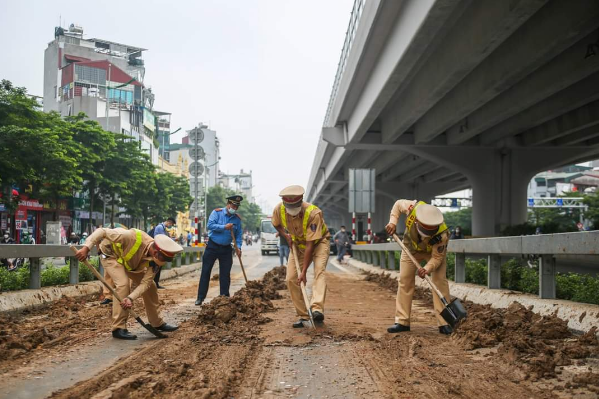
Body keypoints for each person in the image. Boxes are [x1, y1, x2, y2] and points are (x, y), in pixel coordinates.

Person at [75, 228, 182, 340]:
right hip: (110, 256)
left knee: (152, 286)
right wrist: (86, 248)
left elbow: (145, 283)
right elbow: (102, 231)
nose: (162, 262)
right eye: (162, 258)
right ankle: (118, 328)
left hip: (130, 264)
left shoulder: (156, 260)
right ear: (156, 252)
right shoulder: (129, 236)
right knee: (123, 285)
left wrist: (130, 298)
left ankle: (157, 323)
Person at [385, 199, 453, 335]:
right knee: (405, 281)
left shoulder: (442, 235)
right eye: (424, 229)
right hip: (410, 249)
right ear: (417, 222)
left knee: (440, 282)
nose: (427, 233)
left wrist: (427, 268)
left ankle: (444, 323)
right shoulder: (413, 208)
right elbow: (398, 204)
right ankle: (402, 321)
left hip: (431, 254)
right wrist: (393, 222)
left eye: (431, 231)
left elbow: (437, 258)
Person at [272, 185, 330, 328]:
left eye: (295, 208)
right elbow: (276, 224)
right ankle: (304, 316)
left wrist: (303, 272)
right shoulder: (279, 209)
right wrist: (285, 235)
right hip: (297, 245)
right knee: (291, 278)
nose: (292, 212)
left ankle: (316, 309)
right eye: (289, 208)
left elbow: (310, 245)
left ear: (301, 202)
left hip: (318, 243)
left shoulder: (313, 213)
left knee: (319, 271)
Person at [195, 195, 243, 306]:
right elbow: (210, 225)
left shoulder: (237, 219)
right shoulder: (216, 213)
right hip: (212, 246)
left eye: (237, 207)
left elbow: (238, 235)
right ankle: (200, 298)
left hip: (226, 249)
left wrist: (238, 247)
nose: (235, 208)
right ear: (228, 204)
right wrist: (224, 227)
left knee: (225, 274)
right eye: (233, 206)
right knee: (206, 272)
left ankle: (224, 298)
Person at [151, 217, 176, 289]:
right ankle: (154, 284)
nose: (171, 226)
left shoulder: (163, 228)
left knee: (158, 267)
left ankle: (156, 283)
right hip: (158, 250)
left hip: (160, 249)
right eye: (171, 224)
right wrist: (174, 239)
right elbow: (164, 239)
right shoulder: (160, 228)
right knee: (156, 267)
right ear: (169, 222)